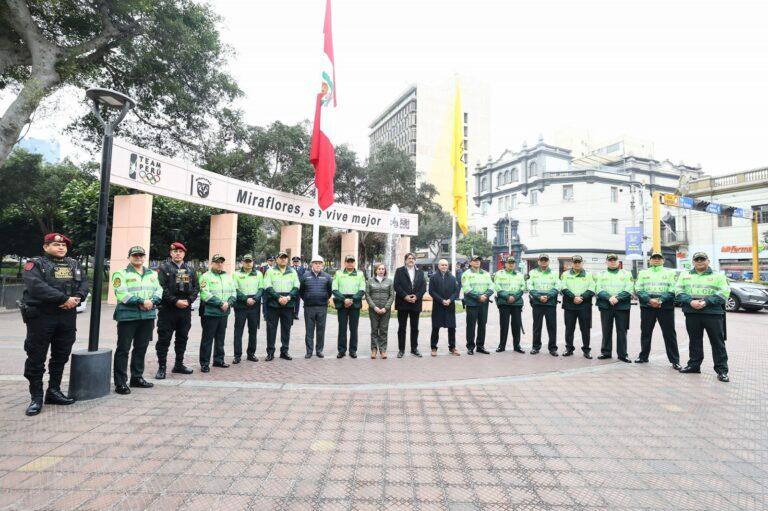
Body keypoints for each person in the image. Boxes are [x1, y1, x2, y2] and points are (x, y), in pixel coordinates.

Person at [20, 233, 89, 416]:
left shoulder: (73, 264)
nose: (61, 248)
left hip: (66, 316)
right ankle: (36, 397)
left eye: (64, 246)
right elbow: (36, 287)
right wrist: (63, 298)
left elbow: (83, 284)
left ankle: (54, 391)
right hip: (42, 316)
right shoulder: (35, 264)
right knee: (36, 357)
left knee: (61, 355)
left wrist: (77, 298)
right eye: (56, 245)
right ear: (45, 247)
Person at [111, 246, 163, 394]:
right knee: (123, 349)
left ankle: (137, 377)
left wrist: (152, 301)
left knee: (141, 347)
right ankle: (120, 382)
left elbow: (159, 290)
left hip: (147, 316)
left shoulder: (152, 274)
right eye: (135, 255)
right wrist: (141, 301)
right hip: (128, 316)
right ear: (129, 257)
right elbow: (122, 294)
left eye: (141, 255)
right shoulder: (121, 274)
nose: (138, 258)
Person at [676, 252, 730, 382]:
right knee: (694, 341)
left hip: (712, 313)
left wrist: (706, 302)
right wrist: (690, 301)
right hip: (692, 312)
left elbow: (724, 293)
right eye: (697, 259)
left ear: (708, 261)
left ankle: (722, 371)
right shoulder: (685, 275)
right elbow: (678, 291)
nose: (700, 261)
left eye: (702, 259)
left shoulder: (718, 276)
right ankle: (694, 365)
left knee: (717, 343)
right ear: (693, 262)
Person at [154, 241, 197, 379]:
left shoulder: (190, 270)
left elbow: (196, 288)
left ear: (184, 253)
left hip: (185, 310)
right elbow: (162, 288)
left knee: (182, 338)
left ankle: (179, 364)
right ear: (171, 253)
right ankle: (162, 367)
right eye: (175, 251)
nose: (178, 254)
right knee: (164, 339)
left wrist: (189, 301)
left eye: (180, 251)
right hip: (168, 310)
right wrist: (175, 301)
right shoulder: (163, 268)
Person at [634, 252, 680, 369]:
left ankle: (675, 360)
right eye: (654, 258)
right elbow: (638, 288)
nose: (656, 260)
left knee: (669, 334)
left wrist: (660, 300)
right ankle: (643, 356)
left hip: (665, 307)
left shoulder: (670, 273)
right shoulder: (643, 273)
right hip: (647, 307)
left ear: (663, 261)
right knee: (646, 333)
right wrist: (649, 300)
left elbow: (673, 288)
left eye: (659, 258)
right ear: (650, 261)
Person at [198, 254, 236, 372]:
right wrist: (220, 303)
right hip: (210, 312)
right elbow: (205, 294)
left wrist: (228, 303)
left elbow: (234, 292)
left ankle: (218, 360)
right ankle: (204, 363)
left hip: (224, 312)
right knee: (207, 339)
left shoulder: (228, 277)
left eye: (221, 262)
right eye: (217, 262)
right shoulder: (205, 276)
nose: (219, 264)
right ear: (212, 263)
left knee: (220, 338)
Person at [594, 254, 633, 363]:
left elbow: (629, 288)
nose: (612, 262)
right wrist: (609, 297)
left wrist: (617, 298)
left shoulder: (626, 273)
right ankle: (606, 352)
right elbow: (598, 288)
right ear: (606, 262)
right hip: (606, 306)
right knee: (606, 329)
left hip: (621, 306)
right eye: (610, 260)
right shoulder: (601, 274)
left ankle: (622, 354)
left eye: (614, 260)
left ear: (618, 262)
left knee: (622, 331)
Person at [263, 252, 300, 361]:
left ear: (287, 260)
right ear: (277, 259)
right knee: (271, 329)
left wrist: (288, 298)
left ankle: (284, 351)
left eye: (285, 258)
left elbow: (296, 286)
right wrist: (278, 298)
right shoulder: (270, 271)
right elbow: (267, 286)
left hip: (288, 305)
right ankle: (270, 352)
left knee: (286, 329)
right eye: (281, 258)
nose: (283, 260)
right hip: (273, 305)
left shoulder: (292, 271)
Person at [559, 255, 595, 358]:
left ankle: (586, 350)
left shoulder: (589, 274)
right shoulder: (565, 274)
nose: (577, 264)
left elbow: (592, 288)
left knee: (585, 329)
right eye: (575, 262)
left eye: (579, 262)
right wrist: (573, 297)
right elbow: (563, 288)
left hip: (584, 306)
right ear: (572, 263)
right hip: (570, 305)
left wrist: (582, 297)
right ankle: (569, 349)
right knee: (569, 328)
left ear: (582, 263)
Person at [332, 255, 367, 358]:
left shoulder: (360, 274)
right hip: (342, 303)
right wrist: (344, 299)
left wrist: (352, 300)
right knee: (342, 328)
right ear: (345, 262)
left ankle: (353, 350)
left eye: (352, 261)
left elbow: (362, 290)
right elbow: (334, 289)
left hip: (354, 303)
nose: (350, 263)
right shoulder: (338, 273)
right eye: (348, 261)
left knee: (354, 328)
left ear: (354, 262)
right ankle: (341, 350)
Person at [393, 252, 426, 357]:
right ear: (405, 260)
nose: (411, 260)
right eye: (409, 258)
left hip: (415, 303)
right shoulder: (399, 271)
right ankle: (401, 350)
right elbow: (396, 286)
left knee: (415, 328)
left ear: (415, 260)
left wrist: (416, 296)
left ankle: (414, 349)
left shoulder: (420, 272)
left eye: (413, 258)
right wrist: (405, 296)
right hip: (403, 303)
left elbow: (423, 287)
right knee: (402, 328)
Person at [300, 254, 333, 358]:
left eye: (319, 263)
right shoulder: (305, 276)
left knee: (320, 330)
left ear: (322, 265)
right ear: (312, 265)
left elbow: (329, 291)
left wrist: (324, 298)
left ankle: (319, 350)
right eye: (316, 263)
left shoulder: (327, 277)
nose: (318, 265)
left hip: (322, 307)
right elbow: (301, 291)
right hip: (309, 307)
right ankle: (309, 351)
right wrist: (307, 299)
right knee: (309, 330)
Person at [527, 254, 560, 356]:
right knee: (537, 326)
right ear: (538, 262)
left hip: (550, 303)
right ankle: (536, 347)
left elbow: (558, 285)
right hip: (537, 303)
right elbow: (529, 285)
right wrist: (538, 296)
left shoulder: (554, 273)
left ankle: (553, 348)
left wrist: (548, 296)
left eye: (545, 260)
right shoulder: (532, 273)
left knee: (552, 326)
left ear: (548, 261)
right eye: (542, 260)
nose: (544, 262)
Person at [232, 254, 263, 363]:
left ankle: (251, 354)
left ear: (253, 262)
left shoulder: (259, 274)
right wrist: (246, 299)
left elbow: (261, 289)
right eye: (246, 261)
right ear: (242, 262)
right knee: (238, 331)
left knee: (253, 331)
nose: (248, 263)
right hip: (241, 306)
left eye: (250, 261)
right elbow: (235, 289)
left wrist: (254, 299)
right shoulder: (236, 274)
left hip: (254, 306)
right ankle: (237, 355)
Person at [461, 255, 494, 355]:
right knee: (471, 325)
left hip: (483, 303)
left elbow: (492, 286)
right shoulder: (466, 274)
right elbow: (466, 289)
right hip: (472, 303)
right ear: (470, 262)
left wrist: (485, 295)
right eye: (475, 260)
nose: (477, 262)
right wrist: (479, 296)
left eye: (479, 260)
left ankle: (480, 346)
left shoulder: (486, 274)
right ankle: (470, 347)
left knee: (482, 325)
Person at [493, 256, 526, 353]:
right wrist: (507, 297)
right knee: (504, 325)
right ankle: (501, 346)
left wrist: (514, 297)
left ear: (515, 264)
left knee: (516, 325)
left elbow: (522, 288)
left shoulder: (520, 275)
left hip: (516, 303)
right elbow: (497, 287)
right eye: (509, 262)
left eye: (513, 263)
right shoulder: (499, 274)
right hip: (504, 302)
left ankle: (517, 346)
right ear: (505, 264)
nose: (511, 264)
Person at [429, 259, 461, 356]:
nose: (444, 267)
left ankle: (452, 347)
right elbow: (431, 291)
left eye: (446, 265)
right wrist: (441, 300)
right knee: (435, 327)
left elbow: (456, 292)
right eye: (442, 265)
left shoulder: (452, 278)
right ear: (439, 266)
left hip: (449, 306)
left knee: (452, 327)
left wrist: (450, 300)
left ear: (448, 266)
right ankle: (433, 348)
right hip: (438, 306)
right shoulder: (433, 277)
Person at [366, 263, 394, 359]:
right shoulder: (370, 281)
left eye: (383, 269)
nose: (381, 270)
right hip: (373, 310)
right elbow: (367, 295)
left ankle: (383, 350)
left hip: (385, 310)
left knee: (383, 330)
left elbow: (391, 296)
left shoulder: (389, 281)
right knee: (374, 330)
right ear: (376, 270)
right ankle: (374, 350)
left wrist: (385, 308)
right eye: (379, 269)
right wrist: (374, 307)